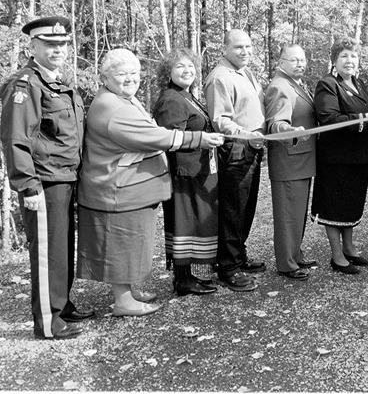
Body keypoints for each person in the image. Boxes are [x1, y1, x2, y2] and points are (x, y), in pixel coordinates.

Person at [77, 49, 223, 316]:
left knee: (133, 243)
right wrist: (197, 139)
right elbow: (153, 135)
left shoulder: (123, 99)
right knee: (121, 243)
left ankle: (129, 292)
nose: (130, 79)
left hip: (131, 188)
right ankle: (123, 301)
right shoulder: (112, 107)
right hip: (116, 189)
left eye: (134, 73)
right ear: (104, 77)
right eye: (121, 74)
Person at [0, 16, 95, 340]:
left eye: (61, 45)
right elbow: (16, 139)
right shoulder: (25, 85)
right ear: (34, 45)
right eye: (49, 44)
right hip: (43, 182)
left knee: (62, 247)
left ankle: (61, 303)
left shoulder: (57, 82)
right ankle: (47, 321)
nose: (57, 50)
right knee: (47, 250)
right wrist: (27, 186)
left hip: (65, 177)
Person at [312, 38, 368, 274]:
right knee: (335, 207)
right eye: (344, 56)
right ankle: (337, 257)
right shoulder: (327, 84)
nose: (349, 60)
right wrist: (367, 119)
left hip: (359, 157)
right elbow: (330, 120)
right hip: (336, 158)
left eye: (354, 56)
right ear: (335, 60)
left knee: (351, 204)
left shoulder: (359, 83)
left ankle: (349, 248)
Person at [204, 29, 267, 292]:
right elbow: (220, 120)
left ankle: (238, 254)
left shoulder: (247, 74)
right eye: (238, 47)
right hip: (235, 150)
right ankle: (227, 266)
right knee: (232, 209)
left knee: (247, 207)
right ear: (225, 49)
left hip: (253, 147)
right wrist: (246, 135)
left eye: (249, 46)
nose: (244, 51)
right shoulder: (220, 77)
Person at [152, 48, 219, 296]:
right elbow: (168, 138)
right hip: (182, 173)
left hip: (195, 171)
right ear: (167, 72)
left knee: (192, 222)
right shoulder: (171, 99)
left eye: (190, 66)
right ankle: (182, 279)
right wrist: (200, 139)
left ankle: (188, 275)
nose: (187, 71)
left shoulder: (187, 96)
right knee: (184, 223)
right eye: (180, 66)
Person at [265, 44, 318, 281]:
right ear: (281, 63)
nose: (300, 64)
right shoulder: (279, 86)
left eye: (303, 59)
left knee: (298, 213)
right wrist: (290, 130)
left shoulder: (295, 84)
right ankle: (286, 263)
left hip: (302, 160)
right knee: (288, 215)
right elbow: (276, 123)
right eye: (294, 60)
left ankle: (295, 253)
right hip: (289, 161)